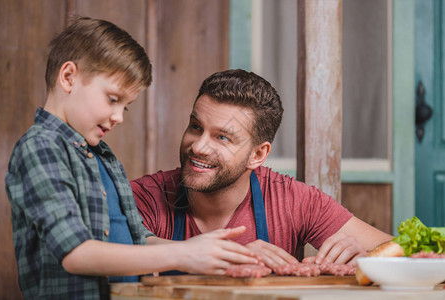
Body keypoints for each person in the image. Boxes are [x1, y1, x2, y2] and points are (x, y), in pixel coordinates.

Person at [5, 18, 259, 299]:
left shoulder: (101, 156)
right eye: (113, 99)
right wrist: (184, 254)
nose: (119, 117)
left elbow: (138, 240)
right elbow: (76, 253)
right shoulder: (41, 148)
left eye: (126, 107)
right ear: (68, 77)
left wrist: (211, 251)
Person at [132, 69, 393, 270]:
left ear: (258, 155)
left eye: (222, 137)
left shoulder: (292, 199)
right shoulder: (147, 195)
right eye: (196, 127)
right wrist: (229, 256)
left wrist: (365, 257)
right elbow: (104, 249)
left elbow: (404, 250)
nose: (198, 146)